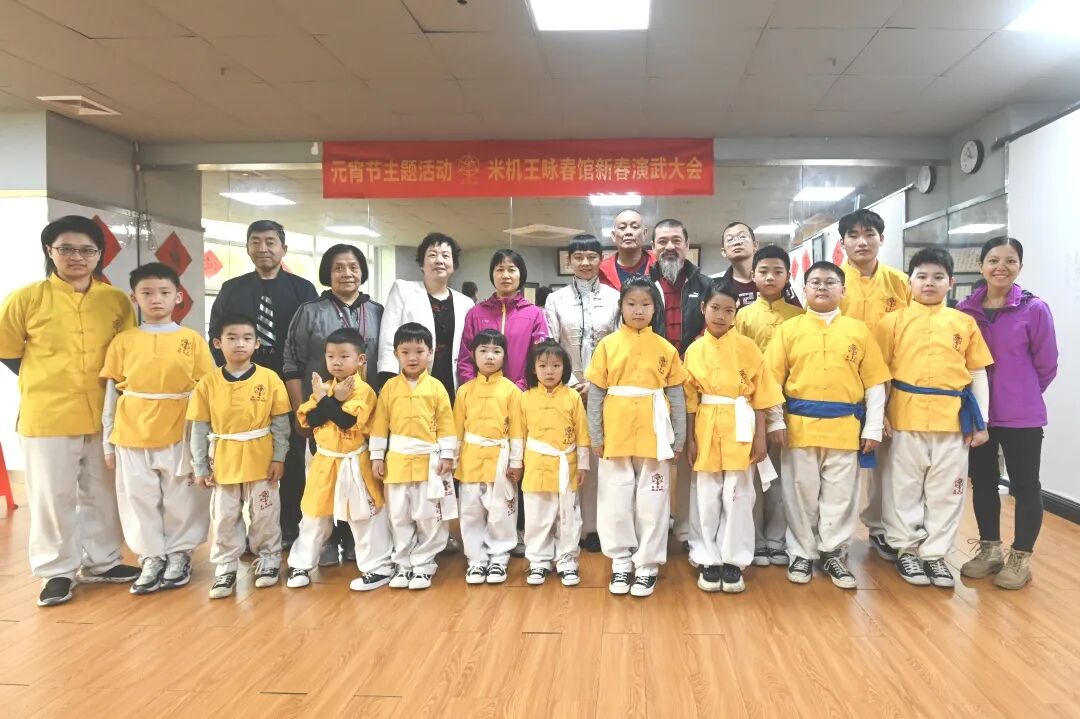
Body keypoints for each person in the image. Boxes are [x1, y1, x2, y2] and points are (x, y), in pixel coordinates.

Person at [0, 216, 140, 606]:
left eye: (86, 250)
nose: (77, 257)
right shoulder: (27, 298)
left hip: (104, 413)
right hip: (48, 414)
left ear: (99, 255)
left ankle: (103, 561)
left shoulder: (114, 300)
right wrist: (48, 376)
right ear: (50, 251)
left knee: (103, 491)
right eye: (66, 249)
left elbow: (126, 352)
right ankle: (56, 571)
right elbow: (8, 351)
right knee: (52, 496)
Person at [765, 261, 890, 589]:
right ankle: (801, 552)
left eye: (830, 282)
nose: (822, 287)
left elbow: (875, 383)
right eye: (815, 282)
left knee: (840, 495)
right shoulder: (788, 330)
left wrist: (873, 427)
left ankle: (833, 551)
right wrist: (775, 421)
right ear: (804, 289)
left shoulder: (858, 331)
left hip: (845, 427)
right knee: (799, 494)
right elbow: (771, 381)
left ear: (843, 290)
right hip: (799, 427)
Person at [875, 248, 993, 588]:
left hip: (953, 420)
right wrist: (879, 414)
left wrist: (982, 422)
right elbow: (879, 375)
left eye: (938, 277)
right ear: (909, 282)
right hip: (904, 416)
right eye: (922, 276)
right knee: (903, 488)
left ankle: (935, 554)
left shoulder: (964, 323)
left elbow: (978, 372)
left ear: (950, 282)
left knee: (948, 490)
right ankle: (906, 549)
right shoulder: (891, 322)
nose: (929, 283)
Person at [100, 263, 215, 595]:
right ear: (133, 297)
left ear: (178, 296)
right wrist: (108, 441)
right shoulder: (123, 341)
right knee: (139, 496)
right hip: (132, 428)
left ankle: (179, 553)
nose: (156, 299)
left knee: (183, 496)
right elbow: (111, 394)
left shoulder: (191, 340)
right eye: (147, 293)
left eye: (164, 292)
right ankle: (151, 556)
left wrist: (207, 441)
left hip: (181, 426)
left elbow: (207, 392)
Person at [208, 220, 318, 549]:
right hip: (244, 383)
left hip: (289, 380)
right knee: (247, 457)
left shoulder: (302, 289)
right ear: (247, 248)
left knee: (292, 456)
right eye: (256, 242)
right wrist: (235, 374)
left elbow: (310, 338)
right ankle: (246, 530)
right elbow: (216, 337)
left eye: (270, 242)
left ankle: (290, 526)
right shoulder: (232, 289)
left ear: (284, 248)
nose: (263, 248)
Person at [958, 237, 1058, 590]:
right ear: (981, 265)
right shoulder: (965, 310)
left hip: (1022, 416)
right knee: (983, 482)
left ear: (1020, 266)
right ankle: (990, 550)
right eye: (993, 260)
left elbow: (1047, 364)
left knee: (1025, 485)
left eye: (1010, 261)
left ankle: (1020, 557)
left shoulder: (1034, 309)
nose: (1001, 267)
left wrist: (1022, 391)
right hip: (978, 416)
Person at [585, 276, 688, 598]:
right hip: (615, 433)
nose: (638, 310)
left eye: (645, 304)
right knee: (615, 499)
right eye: (631, 304)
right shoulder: (607, 345)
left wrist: (679, 438)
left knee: (653, 500)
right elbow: (596, 395)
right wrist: (596, 436)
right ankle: (620, 560)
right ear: (621, 307)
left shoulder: (666, 348)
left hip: (655, 432)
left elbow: (676, 396)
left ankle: (647, 564)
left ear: (656, 308)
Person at [284, 243, 383, 565]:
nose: (347, 273)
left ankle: (355, 539)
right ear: (328, 272)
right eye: (339, 267)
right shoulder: (310, 311)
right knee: (325, 479)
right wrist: (301, 411)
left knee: (361, 478)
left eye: (353, 267)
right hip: (321, 413)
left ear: (362, 271)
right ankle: (327, 540)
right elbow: (292, 362)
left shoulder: (377, 311)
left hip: (363, 413)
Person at [684, 282, 783, 594]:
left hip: (741, 423)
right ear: (703, 308)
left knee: (738, 495)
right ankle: (706, 557)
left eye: (729, 310)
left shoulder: (748, 348)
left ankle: (734, 560)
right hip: (705, 425)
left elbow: (762, 396)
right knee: (706, 495)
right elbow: (689, 401)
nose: (721, 315)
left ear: (735, 313)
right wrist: (689, 439)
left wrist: (761, 437)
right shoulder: (693, 350)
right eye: (715, 308)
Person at [188, 314, 292, 599]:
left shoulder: (269, 379)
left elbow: (281, 423)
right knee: (225, 515)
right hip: (224, 459)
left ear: (257, 343)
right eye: (232, 338)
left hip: (261, 457)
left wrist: (279, 457)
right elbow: (199, 428)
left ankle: (269, 558)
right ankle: (225, 566)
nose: (240, 344)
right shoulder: (207, 383)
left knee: (265, 512)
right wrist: (199, 466)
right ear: (218, 343)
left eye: (247, 338)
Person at [286, 329, 392, 592]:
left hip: (355, 461)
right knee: (314, 514)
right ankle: (301, 563)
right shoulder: (325, 386)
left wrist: (325, 400)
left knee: (364, 515)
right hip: (325, 461)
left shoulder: (364, 391)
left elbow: (346, 420)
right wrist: (331, 398)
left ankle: (378, 566)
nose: (336, 362)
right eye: (331, 356)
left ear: (360, 359)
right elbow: (311, 420)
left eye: (344, 356)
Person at [835, 208, 911, 563]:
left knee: (887, 462)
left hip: (892, 385)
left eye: (869, 234)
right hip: (843, 386)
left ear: (882, 238)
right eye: (853, 235)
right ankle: (833, 534)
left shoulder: (900, 283)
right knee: (840, 463)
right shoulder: (833, 281)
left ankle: (881, 527)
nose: (862, 241)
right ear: (843, 242)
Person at [543, 234, 619, 553]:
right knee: (569, 454)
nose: (585, 262)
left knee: (600, 460)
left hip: (605, 390)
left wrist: (598, 384)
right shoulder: (555, 299)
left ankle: (596, 527)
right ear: (569, 261)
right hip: (566, 388)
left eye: (591, 256)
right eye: (578, 257)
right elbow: (550, 344)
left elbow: (619, 346)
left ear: (601, 260)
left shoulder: (616, 298)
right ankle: (567, 524)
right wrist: (571, 383)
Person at [370, 323, 457, 591]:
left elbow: (446, 423)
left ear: (430, 353)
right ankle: (403, 563)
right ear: (395, 353)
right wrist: (377, 456)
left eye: (419, 351)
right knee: (399, 515)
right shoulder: (389, 388)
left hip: (429, 462)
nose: (412, 357)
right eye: (405, 351)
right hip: (397, 461)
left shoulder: (437, 387)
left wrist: (447, 455)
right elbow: (380, 423)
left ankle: (424, 563)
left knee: (428, 514)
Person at [735, 245, 805, 567]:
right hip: (749, 406)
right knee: (752, 470)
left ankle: (777, 539)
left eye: (778, 271)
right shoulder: (743, 316)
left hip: (787, 407)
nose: (770, 277)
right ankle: (755, 540)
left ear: (788, 275)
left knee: (779, 473)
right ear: (753, 275)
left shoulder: (798, 316)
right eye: (763, 271)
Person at [647, 219, 713, 548]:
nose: (669, 247)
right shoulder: (642, 284)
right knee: (654, 457)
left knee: (689, 455)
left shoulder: (705, 284)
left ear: (687, 245)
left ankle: (686, 529)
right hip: (652, 383)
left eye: (676, 240)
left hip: (693, 382)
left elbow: (713, 327)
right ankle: (654, 528)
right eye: (662, 241)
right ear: (653, 248)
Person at [453, 330, 523, 585]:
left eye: (496, 351)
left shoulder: (512, 391)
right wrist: (452, 458)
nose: (490, 357)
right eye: (483, 351)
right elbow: (457, 429)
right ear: (473, 355)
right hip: (471, 460)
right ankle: (476, 559)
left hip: (500, 461)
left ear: (505, 356)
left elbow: (517, 430)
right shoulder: (464, 391)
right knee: (470, 512)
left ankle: (499, 557)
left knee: (501, 513)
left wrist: (516, 461)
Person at [520, 340, 590, 587]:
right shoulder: (525, 398)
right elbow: (519, 435)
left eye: (556, 365)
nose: (549, 371)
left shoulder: (572, 397)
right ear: (533, 369)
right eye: (543, 365)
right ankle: (539, 560)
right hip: (536, 467)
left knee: (567, 515)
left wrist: (583, 465)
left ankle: (567, 559)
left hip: (566, 465)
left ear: (565, 368)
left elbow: (582, 433)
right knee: (537, 516)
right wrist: (516, 463)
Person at [378, 232, 474, 404]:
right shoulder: (403, 290)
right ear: (422, 263)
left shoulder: (466, 303)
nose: (439, 260)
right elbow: (388, 337)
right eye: (432, 255)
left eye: (445, 256)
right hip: (410, 379)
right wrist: (387, 378)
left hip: (451, 380)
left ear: (453, 265)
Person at [457, 248, 549, 390]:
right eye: (500, 270)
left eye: (511, 270)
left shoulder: (535, 314)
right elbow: (465, 358)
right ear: (492, 274)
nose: (505, 275)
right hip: (481, 395)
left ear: (521, 274)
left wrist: (520, 389)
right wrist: (474, 389)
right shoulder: (475, 313)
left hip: (522, 394)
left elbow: (540, 357)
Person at [714, 222, 801, 309]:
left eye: (742, 237)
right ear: (724, 252)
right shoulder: (716, 287)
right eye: (730, 239)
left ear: (755, 245)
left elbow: (796, 313)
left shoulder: (776, 279)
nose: (737, 243)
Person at [598, 209, 655, 290]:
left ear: (644, 233)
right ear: (613, 236)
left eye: (634, 227)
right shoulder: (600, 270)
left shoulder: (659, 264)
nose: (628, 232)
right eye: (622, 227)